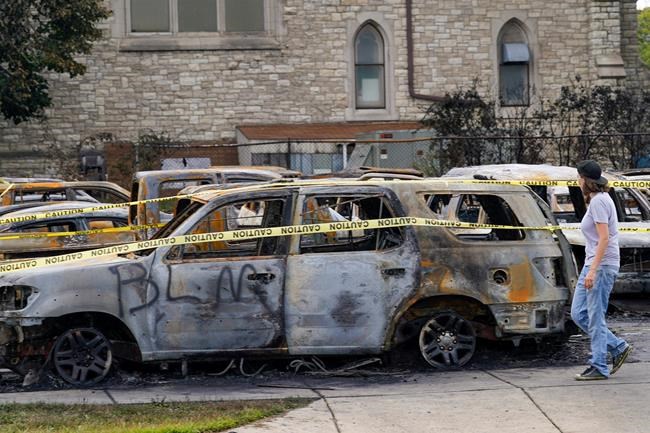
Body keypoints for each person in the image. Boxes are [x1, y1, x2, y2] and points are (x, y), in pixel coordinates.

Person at [571, 160, 632, 381]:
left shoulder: (598, 203)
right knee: (579, 314)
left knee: (595, 317)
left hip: (601, 265)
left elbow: (604, 238)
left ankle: (599, 366)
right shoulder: (599, 199)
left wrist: (593, 270)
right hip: (594, 263)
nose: (577, 181)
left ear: (586, 180)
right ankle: (617, 347)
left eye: (579, 177)